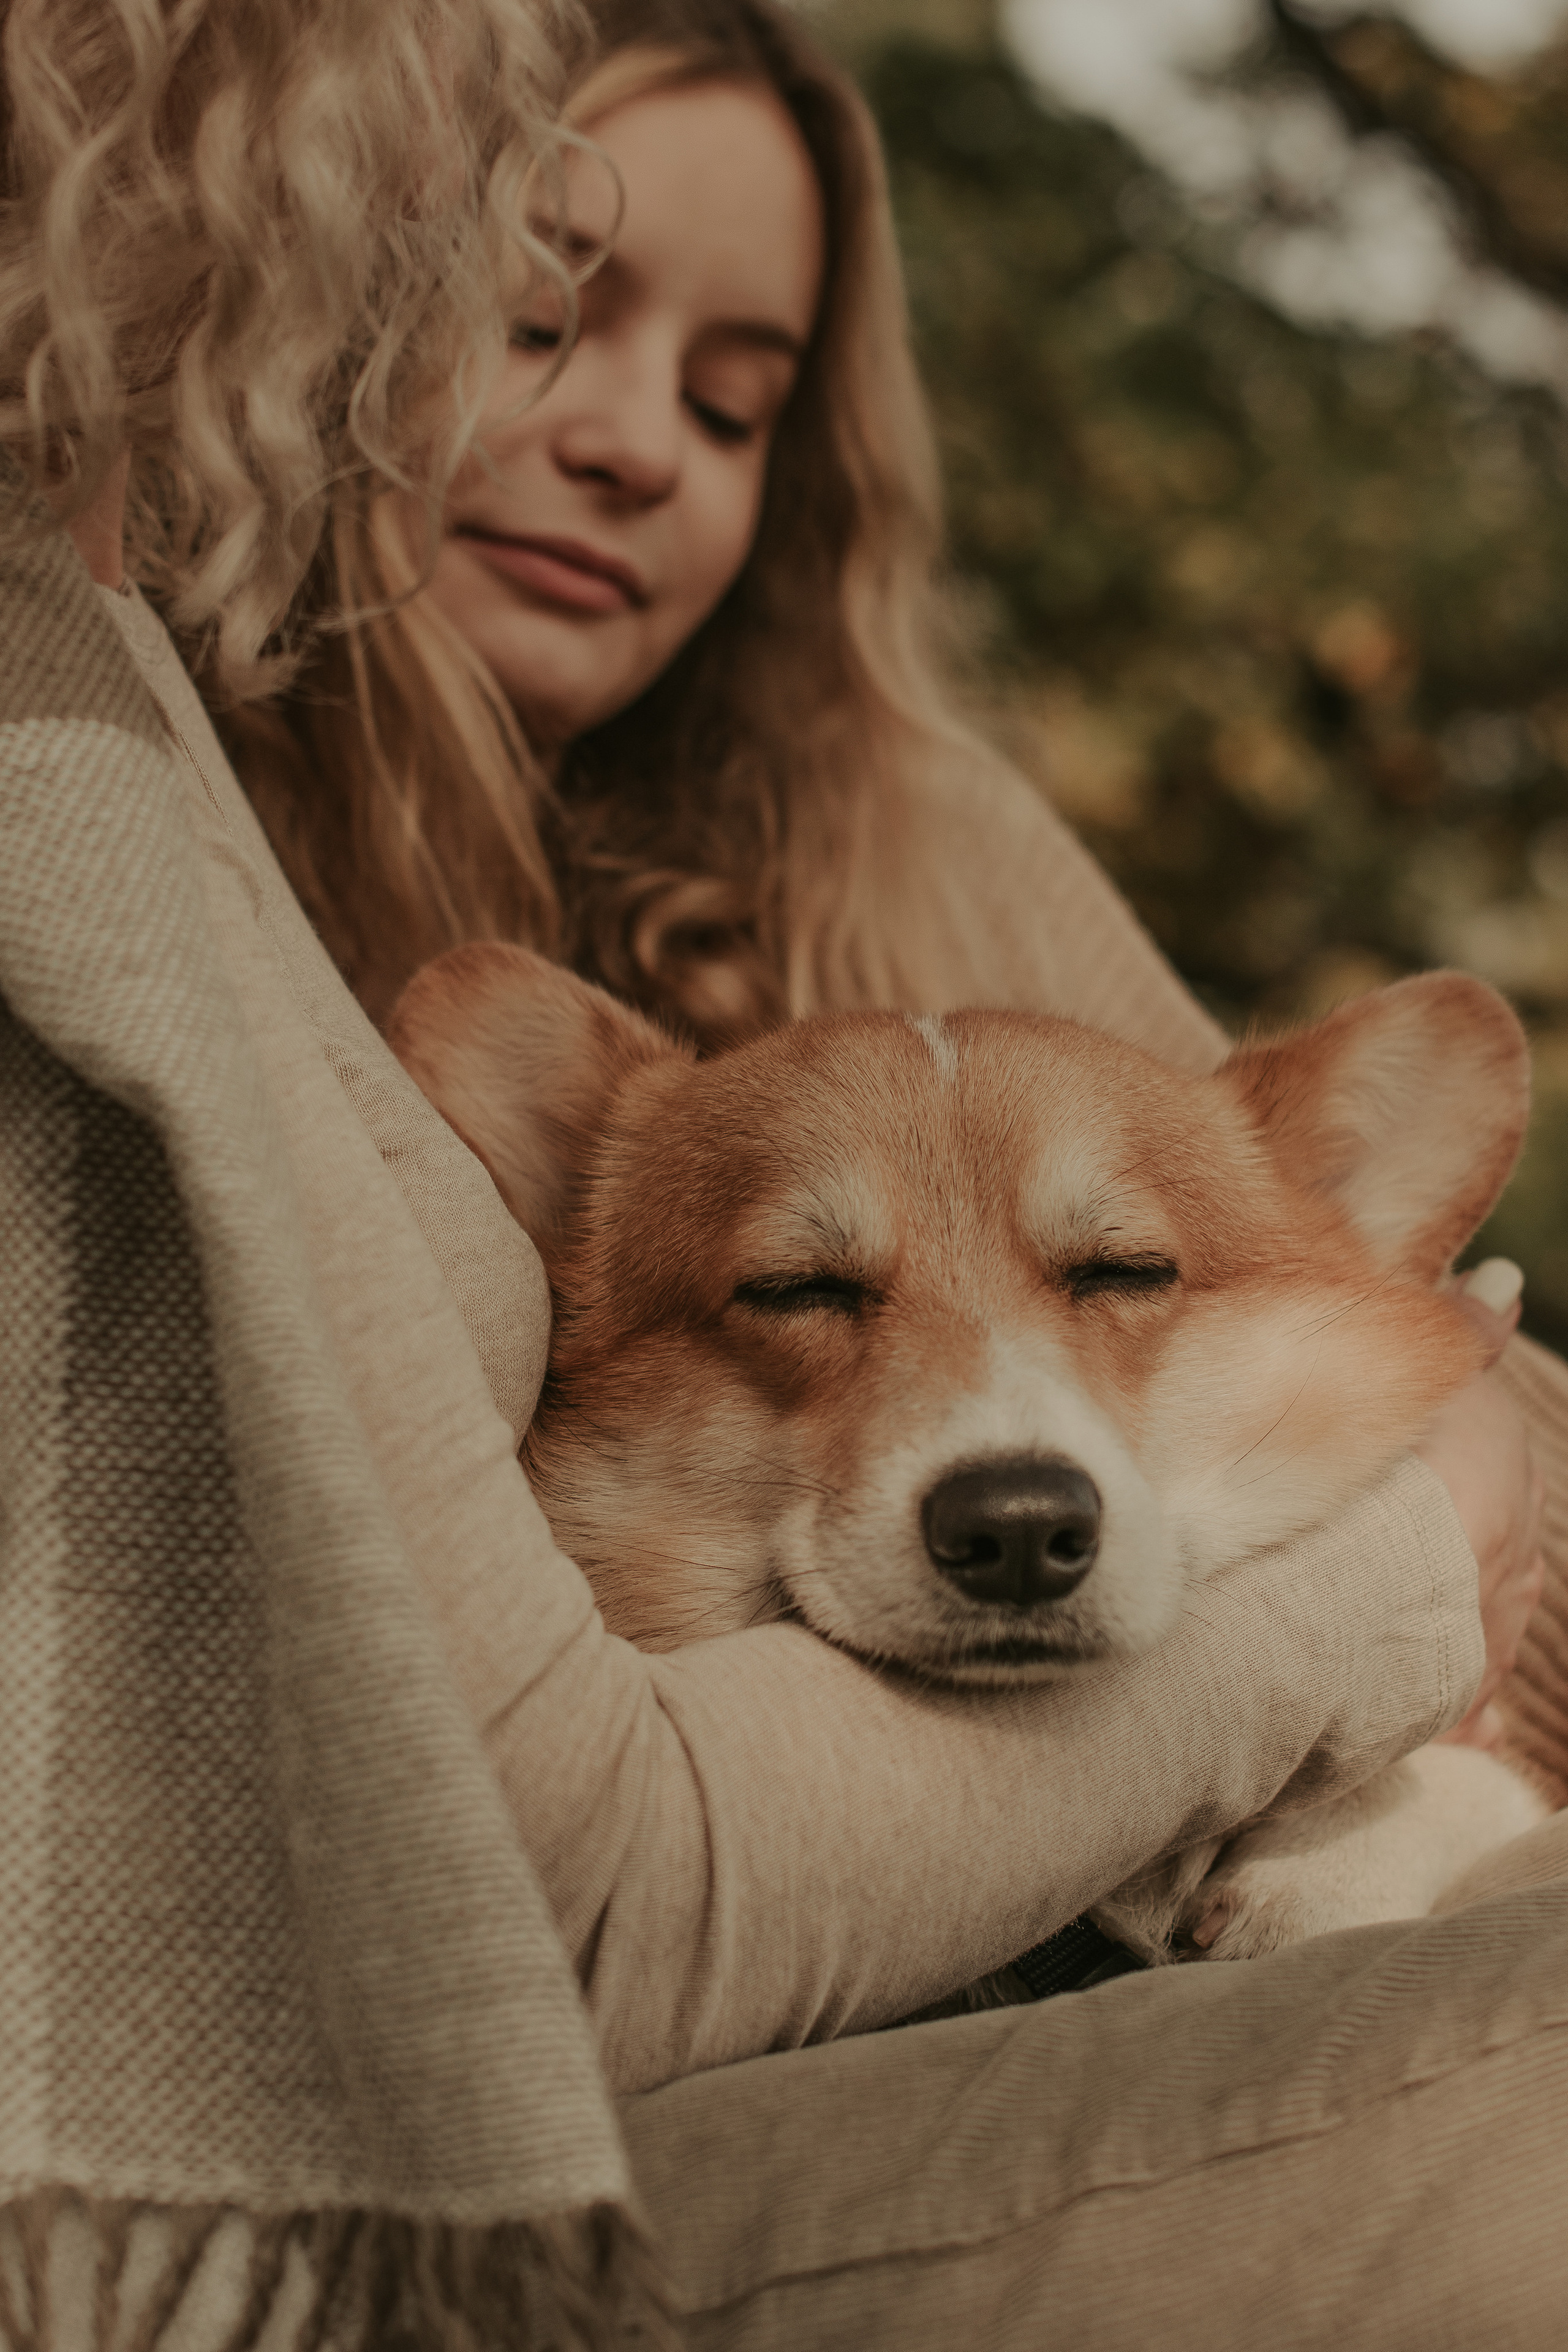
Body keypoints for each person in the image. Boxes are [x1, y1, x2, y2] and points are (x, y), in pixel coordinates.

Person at [3, 9, 1567, 2352]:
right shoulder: (154, 852)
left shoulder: (853, 814)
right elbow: (591, 1889)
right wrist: (1402, 1556)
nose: (631, 441)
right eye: (531, 321)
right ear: (331, 316)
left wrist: (1452, 1453)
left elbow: (1374, 1299)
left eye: (737, 403)